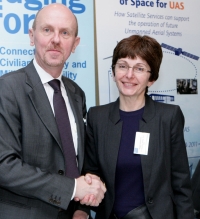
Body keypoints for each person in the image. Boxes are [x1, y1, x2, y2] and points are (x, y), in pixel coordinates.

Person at [0, 3, 106, 219]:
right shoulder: (8, 88)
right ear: (32, 36)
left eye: (65, 33)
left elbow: (77, 159)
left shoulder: (77, 93)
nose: (56, 39)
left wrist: (81, 209)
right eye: (47, 30)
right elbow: (4, 166)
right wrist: (73, 189)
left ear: (75, 44)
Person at [83, 35, 194, 219]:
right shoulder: (97, 117)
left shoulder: (168, 117)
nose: (129, 75)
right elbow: (91, 173)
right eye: (123, 66)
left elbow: (181, 184)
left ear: (152, 78)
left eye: (139, 68)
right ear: (113, 71)